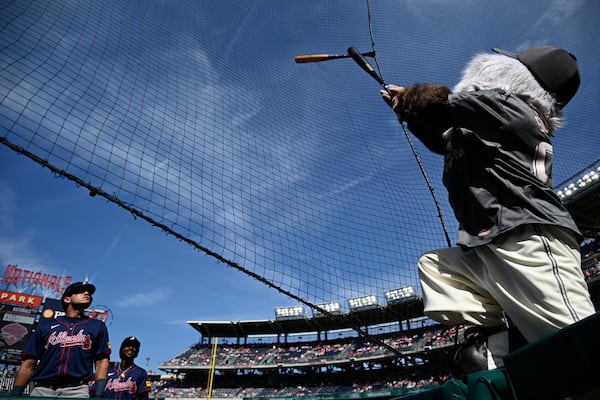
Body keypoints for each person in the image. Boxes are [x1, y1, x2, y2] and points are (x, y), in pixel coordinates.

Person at [380, 45, 595, 375]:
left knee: (583, 352)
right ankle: (499, 341)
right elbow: (443, 140)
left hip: (530, 240)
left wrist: (409, 99)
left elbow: (439, 104)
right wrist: (410, 114)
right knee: (437, 267)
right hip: (490, 246)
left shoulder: (506, 106)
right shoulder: (491, 121)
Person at [11, 281, 111, 398]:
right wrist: (15, 395)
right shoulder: (46, 325)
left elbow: (101, 361)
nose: (86, 293)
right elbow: (29, 363)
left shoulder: (97, 326)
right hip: (43, 389)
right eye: (80, 291)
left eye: (89, 292)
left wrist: (99, 393)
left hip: (77, 390)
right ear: (67, 299)